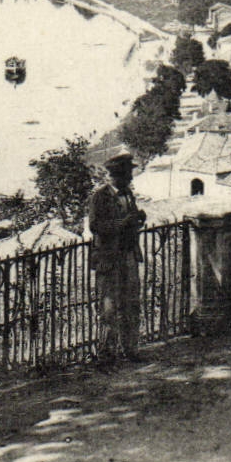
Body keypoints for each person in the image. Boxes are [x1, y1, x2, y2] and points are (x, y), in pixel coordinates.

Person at [87, 146, 145, 363]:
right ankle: (107, 352)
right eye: (127, 174)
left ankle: (130, 348)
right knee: (109, 307)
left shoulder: (128, 194)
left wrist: (138, 217)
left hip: (128, 255)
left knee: (131, 302)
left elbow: (130, 219)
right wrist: (122, 224)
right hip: (109, 259)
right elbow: (95, 225)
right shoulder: (99, 197)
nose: (130, 178)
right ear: (116, 175)